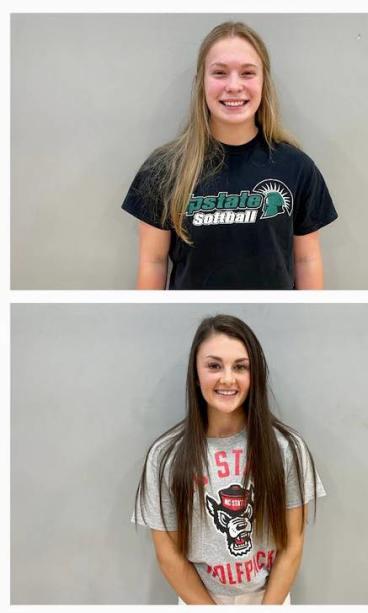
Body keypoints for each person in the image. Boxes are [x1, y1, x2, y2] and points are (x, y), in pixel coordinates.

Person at [122, 22, 338, 290]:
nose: (234, 86)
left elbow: (307, 259)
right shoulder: (163, 169)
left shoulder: (297, 168)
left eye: (247, 73)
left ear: (263, 82)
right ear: (202, 82)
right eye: (220, 73)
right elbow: (153, 261)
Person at [134, 314, 323, 604]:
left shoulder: (287, 448)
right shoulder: (165, 457)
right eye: (213, 365)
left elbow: (293, 545)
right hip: (199, 599)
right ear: (196, 376)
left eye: (240, 367)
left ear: (254, 375)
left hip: (269, 598)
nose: (227, 378)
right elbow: (168, 554)